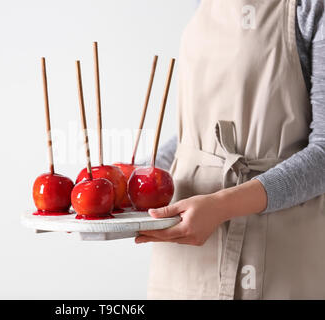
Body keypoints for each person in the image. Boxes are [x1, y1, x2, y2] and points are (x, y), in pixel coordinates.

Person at [136, 0, 325, 299]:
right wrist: (132, 179)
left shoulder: (311, 8)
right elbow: (197, 138)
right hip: (183, 258)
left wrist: (222, 206)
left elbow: (323, 154)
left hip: (278, 252)